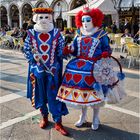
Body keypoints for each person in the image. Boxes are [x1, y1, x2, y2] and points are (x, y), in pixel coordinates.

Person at [57, 7, 112, 130]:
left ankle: (95, 117)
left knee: (95, 94)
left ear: (94, 20)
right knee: (82, 94)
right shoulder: (79, 33)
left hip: (95, 67)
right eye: (83, 20)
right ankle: (83, 116)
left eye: (88, 20)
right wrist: (69, 50)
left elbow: (107, 49)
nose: (85, 23)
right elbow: (75, 50)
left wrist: (105, 53)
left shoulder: (101, 34)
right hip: (79, 65)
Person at [23, 7, 69, 136]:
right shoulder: (31, 33)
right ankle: (44, 117)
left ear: (50, 18)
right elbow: (26, 50)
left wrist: (65, 51)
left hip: (53, 71)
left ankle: (58, 122)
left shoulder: (56, 33)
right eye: (41, 17)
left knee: (55, 96)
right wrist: (32, 57)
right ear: (36, 18)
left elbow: (61, 50)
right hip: (38, 71)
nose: (43, 20)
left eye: (46, 17)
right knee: (40, 95)